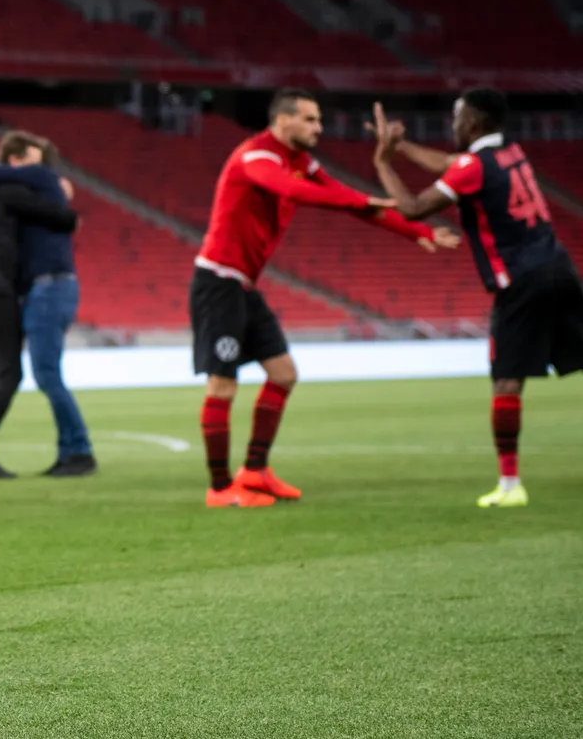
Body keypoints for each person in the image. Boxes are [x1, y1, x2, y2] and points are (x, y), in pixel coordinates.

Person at [369, 88, 583, 507]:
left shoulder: (472, 166)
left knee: (506, 381)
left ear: (476, 121)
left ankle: (509, 485)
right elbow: (452, 164)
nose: (453, 124)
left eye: (458, 116)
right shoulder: (509, 152)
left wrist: (383, 160)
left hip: (519, 278)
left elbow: (411, 208)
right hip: (558, 265)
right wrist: (402, 144)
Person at [193, 87, 457, 508]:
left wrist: (418, 232)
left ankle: (255, 471)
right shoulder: (256, 156)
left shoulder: (302, 161)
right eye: (310, 119)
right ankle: (221, 488)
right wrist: (361, 199)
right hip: (218, 281)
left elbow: (353, 203)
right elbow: (296, 192)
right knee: (223, 386)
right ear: (283, 121)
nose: (319, 127)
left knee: (283, 374)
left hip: (244, 285)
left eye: (319, 119)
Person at [0, 130, 79, 478]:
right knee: (10, 372)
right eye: (32, 164)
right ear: (15, 161)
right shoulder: (9, 189)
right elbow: (63, 218)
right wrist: (59, 194)